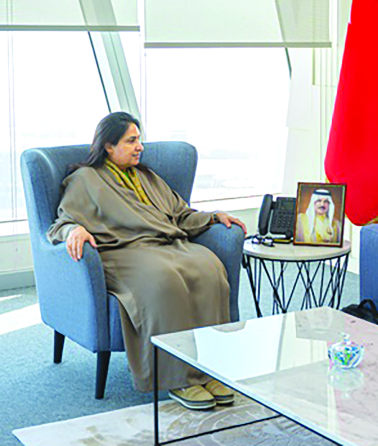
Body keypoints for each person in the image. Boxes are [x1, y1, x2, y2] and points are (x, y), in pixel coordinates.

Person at [47, 112, 247, 410]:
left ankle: (208, 371)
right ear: (109, 146)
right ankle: (177, 379)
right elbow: (62, 223)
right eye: (131, 141)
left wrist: (213, 217)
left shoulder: (148, 177)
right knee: (164, 281)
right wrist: (74, 230)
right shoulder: (84, 179)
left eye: (139, 139)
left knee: (209, 269)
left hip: (165, 245)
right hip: (122, 252)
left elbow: (181, 215)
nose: (139, 146)